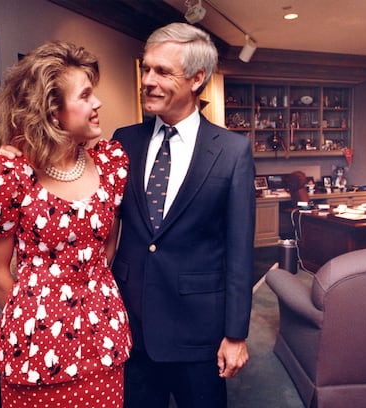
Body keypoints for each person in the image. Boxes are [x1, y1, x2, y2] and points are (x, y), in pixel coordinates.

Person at [0, 41, 131, 407]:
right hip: (36, 352)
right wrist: (40, 323)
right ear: (53, 111)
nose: (97, 103)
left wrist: (89, 310)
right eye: (85, 95)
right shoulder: (7, 176)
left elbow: (108, 246)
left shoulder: (110, 164)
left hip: (104, 338)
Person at [111, 22, 255, 408]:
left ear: (196, 79)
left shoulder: (232, 151)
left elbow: (240, 252)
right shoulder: (124, 141)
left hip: (199, 332)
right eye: (146, 69)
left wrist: (236, 334)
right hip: (132, 326)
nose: (148, 80)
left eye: (162, 72)